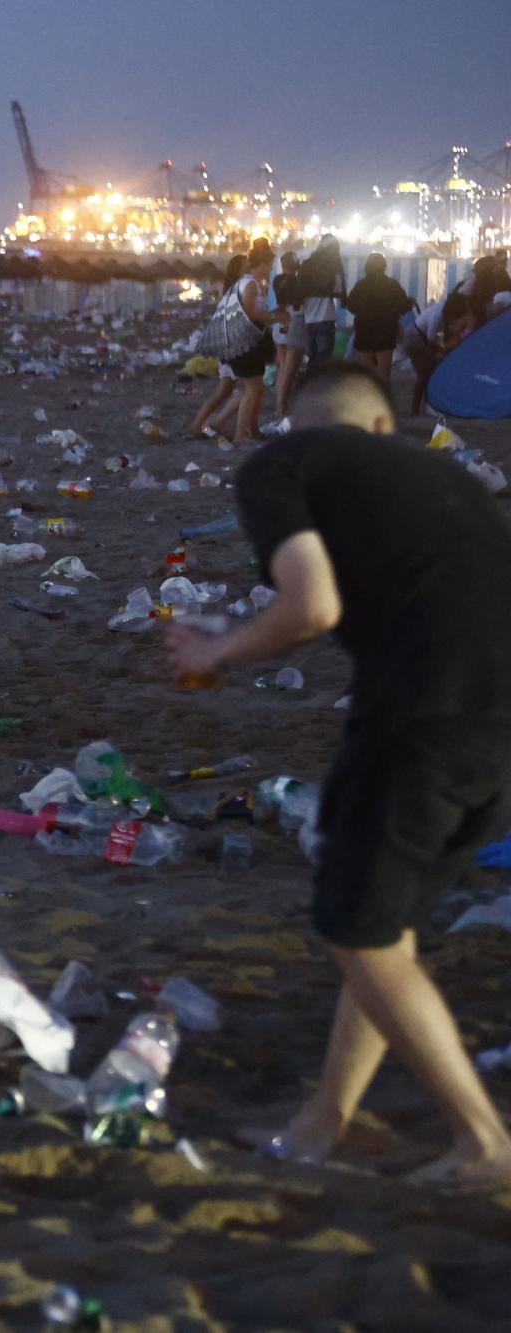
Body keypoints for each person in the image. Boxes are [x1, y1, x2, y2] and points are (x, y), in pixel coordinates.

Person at [168, 360, 511, 1187]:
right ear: (383, 428)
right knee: (380, 931)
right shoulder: (449, 478)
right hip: (500, 736)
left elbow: (311, 604)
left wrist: (213, 648)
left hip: (422, 725)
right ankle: (324, 1119)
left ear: (299, 424)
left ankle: (485, 1146)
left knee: (357, 932)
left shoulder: (284, 465)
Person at [186, 241, 284, 443]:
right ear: (263, 264)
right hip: (242, 344)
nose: (271, 270)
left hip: (241, 344)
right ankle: (241, 434)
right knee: (253, 389)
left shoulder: (246, 283)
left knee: (244, 389)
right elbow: (249, 313)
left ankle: (249, 431)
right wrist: (275, 317)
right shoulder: (250, 284)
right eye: (270, 265)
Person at [342, 252, 414, 383]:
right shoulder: (392, 285)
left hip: (364, 330)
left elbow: (351, 305)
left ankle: (368, 398)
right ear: (384, 266)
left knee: (367, 373)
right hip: (386, 330)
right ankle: (384, 398)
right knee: (384, 373)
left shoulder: (361, 285)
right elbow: (404, 305)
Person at [298, 234, 346, 367]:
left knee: (312, 356)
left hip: (309, 318)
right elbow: (338, 288)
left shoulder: (307, 264)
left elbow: (299, 289)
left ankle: (310, 385)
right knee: (324, 358)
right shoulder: (333, 265)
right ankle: (320, 386)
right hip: (325, 317)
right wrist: (344, 300)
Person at [271, 250, 306, 416]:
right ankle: (281, 407)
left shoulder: (277, 280)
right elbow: (299, 302)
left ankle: (279, 403)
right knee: (290, 369)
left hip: (279, 322)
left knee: (283, 368)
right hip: (294, 320)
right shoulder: (298, 281)